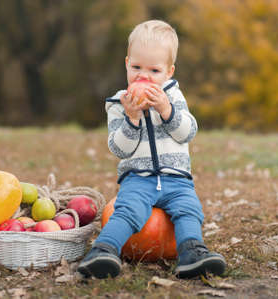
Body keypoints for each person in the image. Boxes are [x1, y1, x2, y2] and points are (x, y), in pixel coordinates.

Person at [77, 20, 226, 279]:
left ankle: (192, 252)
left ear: (169, 72)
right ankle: (103, 250)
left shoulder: (173, 97)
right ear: (126, 64)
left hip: (177, 179)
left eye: (154, 70)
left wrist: (166, 110)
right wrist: (131, 119)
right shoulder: (119, 105)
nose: (143, 76)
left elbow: (188, 131)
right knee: (127, 211)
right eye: (136, 67)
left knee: (189, 210)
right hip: (139, 179)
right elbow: (118, 148)